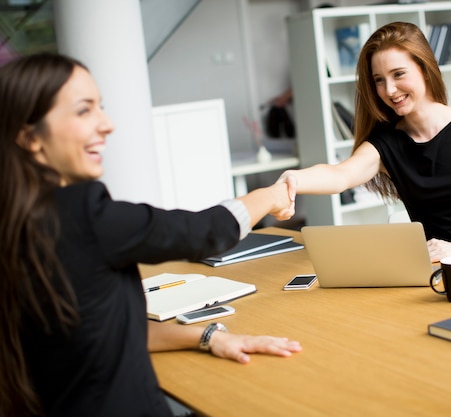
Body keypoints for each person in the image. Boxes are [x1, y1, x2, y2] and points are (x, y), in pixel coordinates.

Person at [0, 53, 301, 417]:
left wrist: (208, 336)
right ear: (30, 137)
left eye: (101, 108)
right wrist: (268, 196)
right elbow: (208, 232)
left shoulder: (17, 223)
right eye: (84, 111)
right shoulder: (82, 213)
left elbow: (101, 333)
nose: (107, 124)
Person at [277, 22, 451, 272]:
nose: (389, 90)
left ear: (424, 69)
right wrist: (294, 179)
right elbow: (340, 175)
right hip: (438, 272)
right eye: (379, 80)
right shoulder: (385, 143)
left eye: (398, 74)